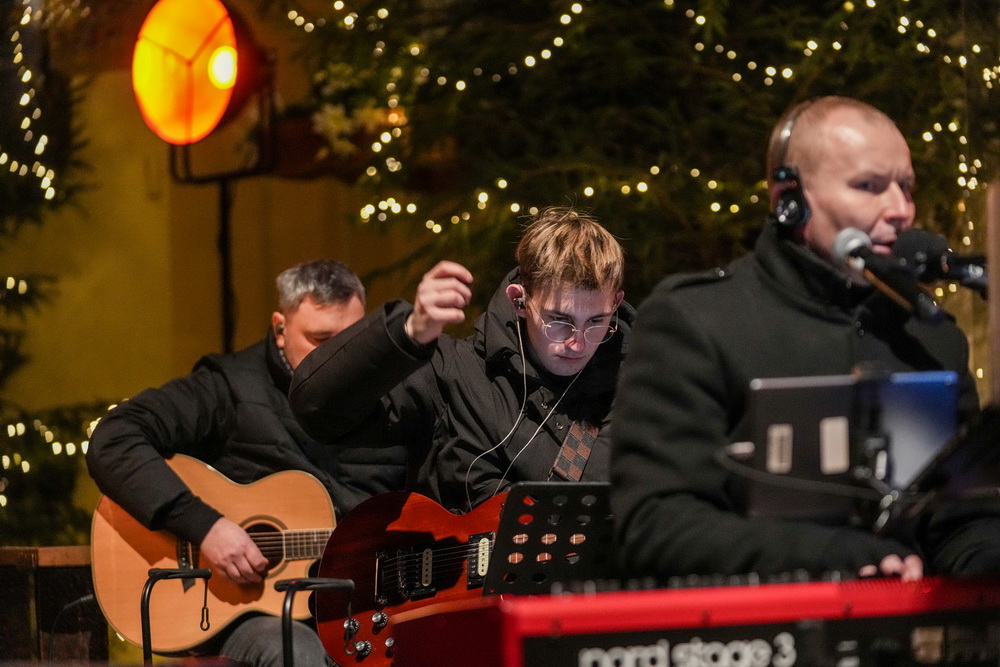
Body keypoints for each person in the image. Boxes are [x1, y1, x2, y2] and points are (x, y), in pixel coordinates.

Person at [611, 96, 1000, 582]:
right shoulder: (696, 320)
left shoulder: (930, 336)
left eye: (905, 187)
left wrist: (983, 556)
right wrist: (832, 555)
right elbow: (656, 524)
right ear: (788, 199)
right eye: (868, 186)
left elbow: (957, 517)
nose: (901, 210)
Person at [86, 260, 406, 666]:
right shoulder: (230, 386)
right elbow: (113, 439)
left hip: (364, 596)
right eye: (320, 339)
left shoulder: (398, 396)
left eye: (352, 340)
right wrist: (206, 527)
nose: (339, 357)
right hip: (246, 611)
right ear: (280, 328)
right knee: (298, 653)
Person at [289, 207, 634, 513]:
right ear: (519, 300)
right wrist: (406, 333)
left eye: (597, 321)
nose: (577, 342)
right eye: (559, 320)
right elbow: (318, 410)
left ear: (616, 303)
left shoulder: (637, 388)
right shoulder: (454, 372)